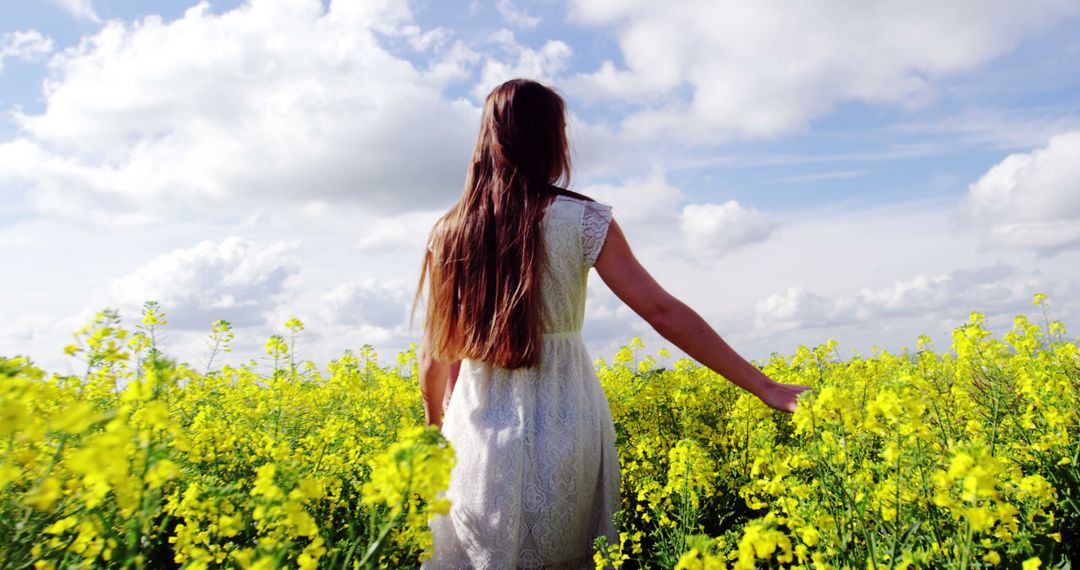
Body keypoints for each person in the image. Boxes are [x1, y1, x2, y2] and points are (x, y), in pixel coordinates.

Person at [413, 78, 810, 569]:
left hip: (473, 429)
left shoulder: (450, 232)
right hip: (564, 420)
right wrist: (763, 386)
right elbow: (662, 313)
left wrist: (436, 431)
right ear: (549, 138)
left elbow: (436, 355)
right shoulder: (580, 219)